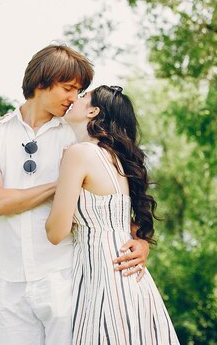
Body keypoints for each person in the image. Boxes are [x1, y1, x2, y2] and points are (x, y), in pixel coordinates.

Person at [0, 45, 150, 345]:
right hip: (10, 279)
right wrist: (62, 185)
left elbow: (117, 197)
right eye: (68, 88)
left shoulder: (79, 133)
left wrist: (142, 241)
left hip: (67, 275)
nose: (73, 98)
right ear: (42, 82)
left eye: (79, 91)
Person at [46, 84, 179, 345]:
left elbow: (55, 232)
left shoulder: (78, 153)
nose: (75, 98)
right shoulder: (117, 159)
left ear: (93, 111)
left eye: (83, 96)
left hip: (102, 279)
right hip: (132, 278)